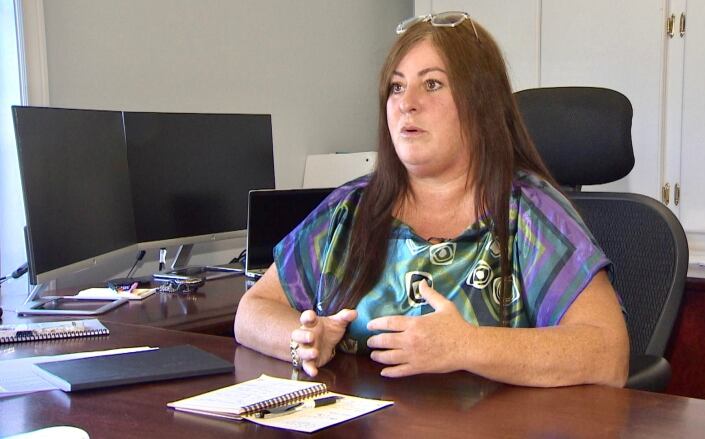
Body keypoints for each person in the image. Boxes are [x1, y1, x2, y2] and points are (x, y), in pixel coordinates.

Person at [235, 12, 629, 387]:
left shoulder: (529, 212)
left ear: (480, 103)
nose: (407, 102)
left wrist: (465, 346)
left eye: (433, 83)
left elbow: (607, 353)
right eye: (396, 86)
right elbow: (252, 310)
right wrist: (301, 339)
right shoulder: (350, 209)